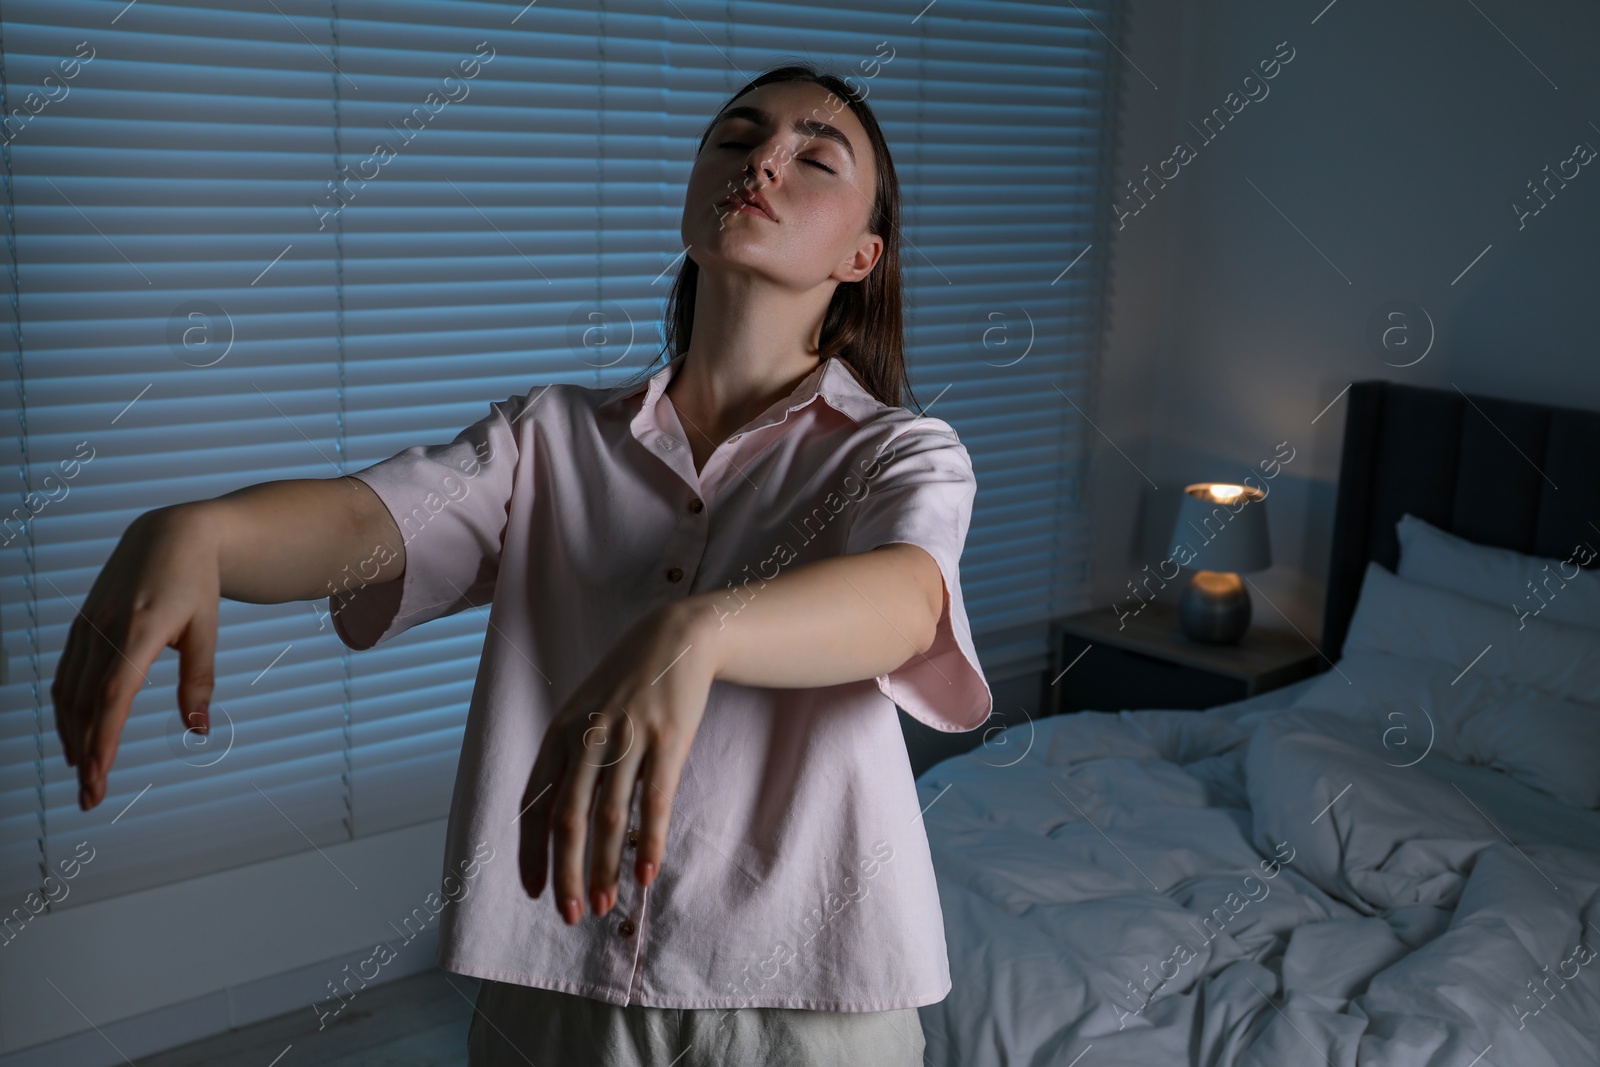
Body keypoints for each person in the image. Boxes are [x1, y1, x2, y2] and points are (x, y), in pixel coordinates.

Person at [53, 63, 992, 1066]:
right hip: (559, 984)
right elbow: (363, 524)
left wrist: (698, 630)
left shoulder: (899, 451)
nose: (762, 161)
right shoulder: (545, 437)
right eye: (735, 138)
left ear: (861, 254)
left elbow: (903, 600)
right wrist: (206, 532)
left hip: (809, 1001)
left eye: (813, 158)